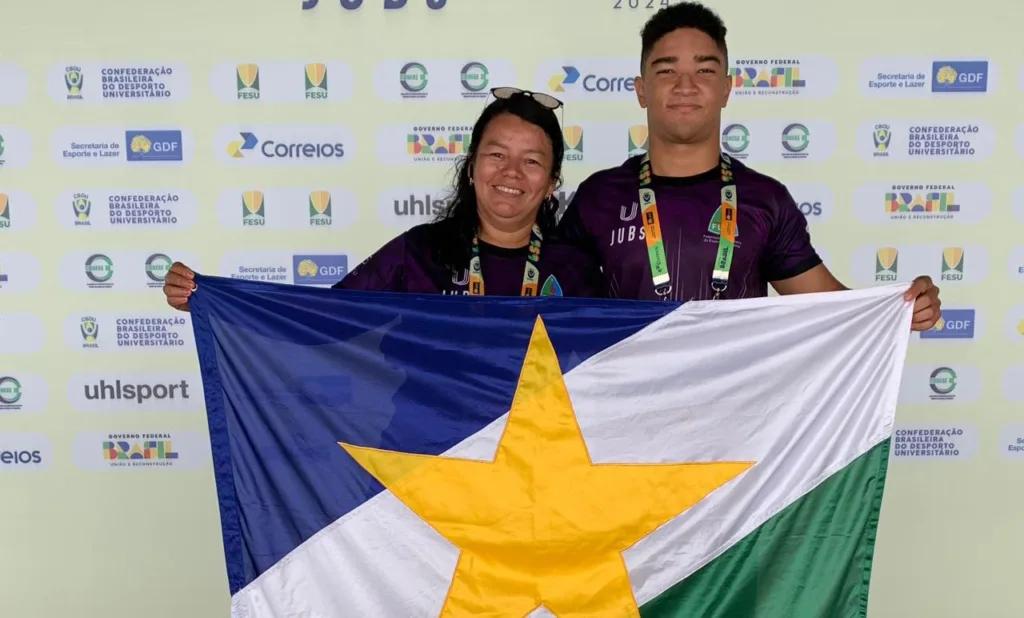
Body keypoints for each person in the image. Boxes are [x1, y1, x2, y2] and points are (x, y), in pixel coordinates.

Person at [557, 2, 942, 331]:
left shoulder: (764, 199)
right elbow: (549, 308)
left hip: (734, 414)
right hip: (624, 409)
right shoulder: (598, 197)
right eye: (666, 70)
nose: (685, 85)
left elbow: (830, 306)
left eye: (705, 70)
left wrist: (901, 309)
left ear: (726, 88)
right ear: (642, 89)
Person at [162, 88, 606, 310]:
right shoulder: (420, 252)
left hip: (540, 466)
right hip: (429, 462)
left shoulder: (576, 268)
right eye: (496, 154)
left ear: (551, 183)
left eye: (531, 161)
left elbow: (621, 357)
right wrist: (211, 300)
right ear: (471, 167)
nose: (510, 172)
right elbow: (324, 317)